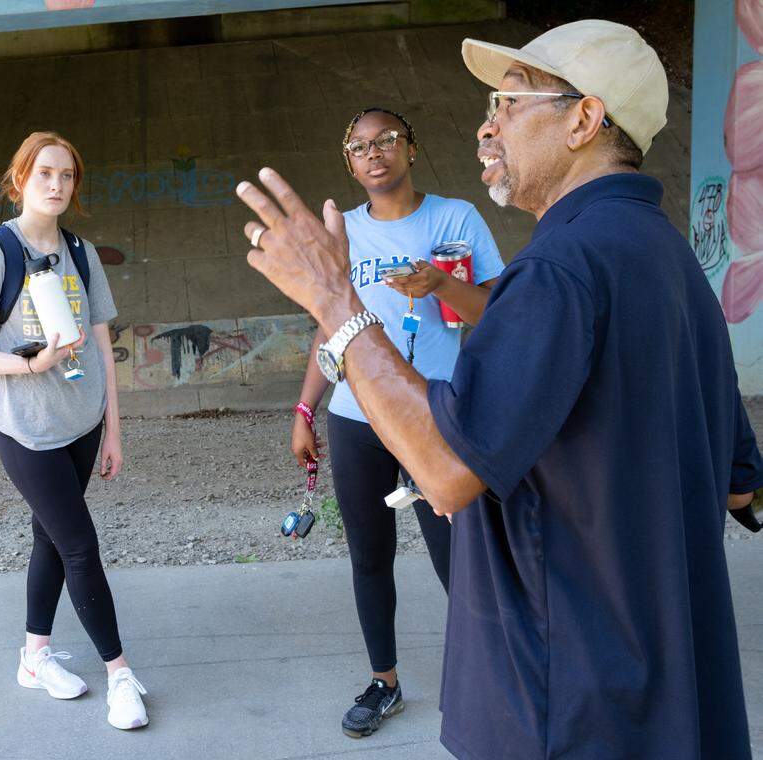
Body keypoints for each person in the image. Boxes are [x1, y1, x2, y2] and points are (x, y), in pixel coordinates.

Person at [235, 19, 762, 760]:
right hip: (661, 697)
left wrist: (335, 304)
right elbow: (743, 483)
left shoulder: (558, 271)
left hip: (569, 701)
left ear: (583, 118)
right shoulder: (668, 257)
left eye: (509, 104)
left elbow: (448, 475)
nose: (488, 128)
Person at [288, 107, 502, 739]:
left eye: (385, 141)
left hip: (436, 412)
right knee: (369, 556)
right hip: (356, 417)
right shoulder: (342, 234)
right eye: (358, 147)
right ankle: (384, 682)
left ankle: (491, 672)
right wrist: (306, 407)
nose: (373, 153)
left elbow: (495, 312)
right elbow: (329, 327)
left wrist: (439, 282)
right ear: (348, 163)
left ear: (411, 148)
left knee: (458, 555)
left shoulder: (455, 218)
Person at [0, 131, 147, 730]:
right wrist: (28, 364)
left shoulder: (81, 252)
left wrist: (113, 429)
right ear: (20, 181)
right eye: (44, 175)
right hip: (25, 426)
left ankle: (34, 657)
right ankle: (120, 674)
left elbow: (105, 344)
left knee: (51, 539)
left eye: (66, 176)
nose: (56, 185)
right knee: (79, 544)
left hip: (82, 420)